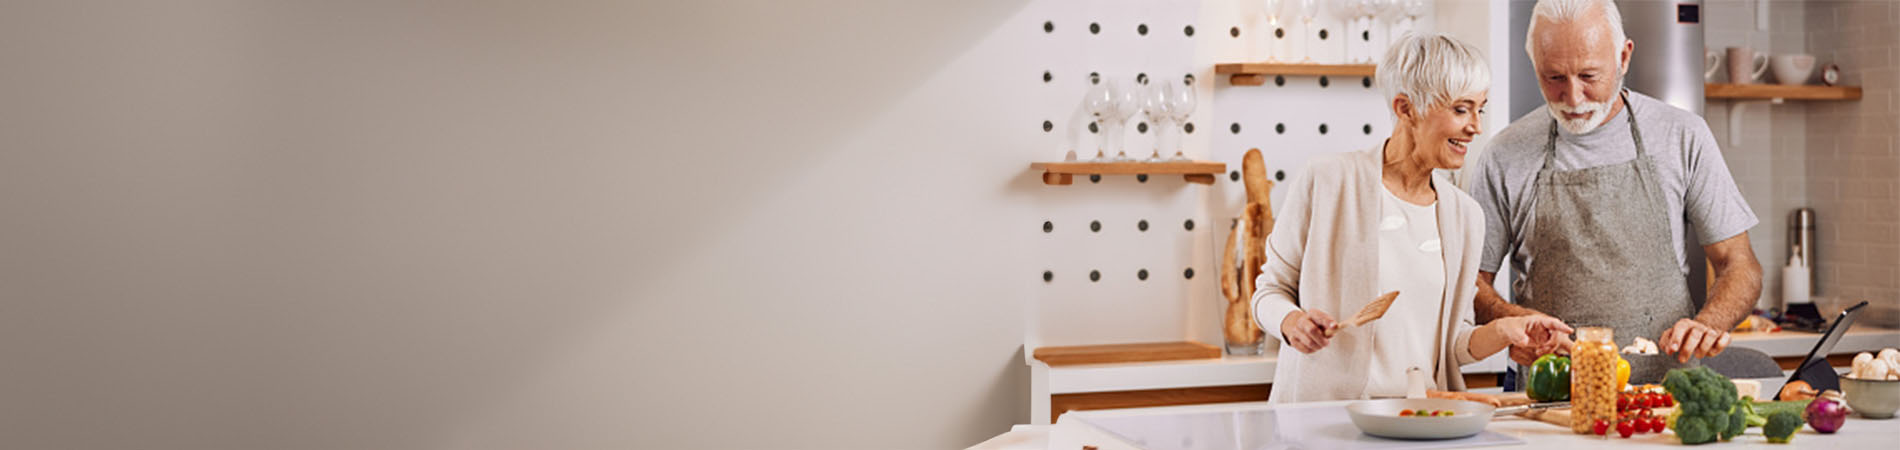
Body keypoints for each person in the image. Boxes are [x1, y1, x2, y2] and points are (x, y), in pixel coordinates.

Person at [1252, 33, 1572, 404]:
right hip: (1326, 422)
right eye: (1460, 109)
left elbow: (1455, 344)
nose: (1476, 127)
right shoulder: (1327, 181)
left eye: (1479, 109)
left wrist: (1507, 330)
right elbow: (1269, 292)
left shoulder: (1464, 215)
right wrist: (1292, 323)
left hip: (1422, 421)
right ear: (1405, 109)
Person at [1468, 0, 1763, 384]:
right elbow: (1470, 282)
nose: (1573, 98)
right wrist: (1510, 323)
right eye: (1554, 78)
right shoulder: (1504, 154)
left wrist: (1709, 323)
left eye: (1589, 76)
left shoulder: (1683, 136)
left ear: (1623, 58)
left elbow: (1740, 265)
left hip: (1665, 395)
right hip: (1552, 396)